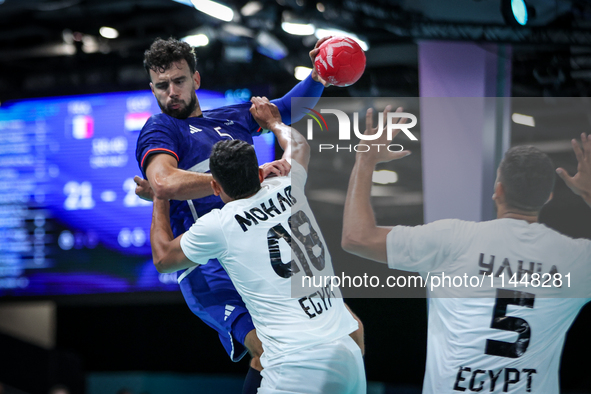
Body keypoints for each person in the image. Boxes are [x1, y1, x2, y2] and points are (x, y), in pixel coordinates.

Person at [134, 36, 343, 392]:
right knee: (266, 346)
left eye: (179, 81)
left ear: (196, 80)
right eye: (162, 85)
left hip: (257, 255)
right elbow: (164, 181)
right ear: (153, 89)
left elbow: (287, 110)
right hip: (208, 265)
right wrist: (243, 178)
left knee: (295, 343)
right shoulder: (162, 128)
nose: (171, 92)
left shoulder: (230, 118)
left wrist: (319, 75)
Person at [341, 106, 591, 394]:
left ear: (498, 189)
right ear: (548, 196)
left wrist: (366, 159)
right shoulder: (575, 260)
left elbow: (356, 237)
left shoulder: (453, 239)